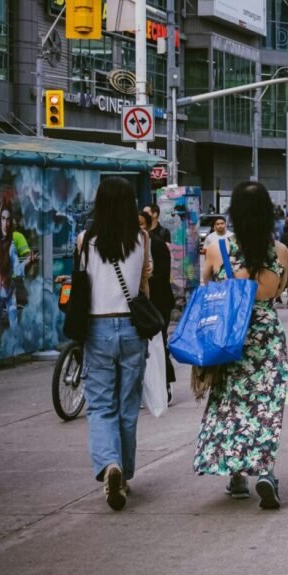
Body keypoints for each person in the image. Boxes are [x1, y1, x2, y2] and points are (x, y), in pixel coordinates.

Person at [193, 181, 288, 509]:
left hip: (228, 334)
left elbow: (205, 285)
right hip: (266, 332)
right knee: (266, 406)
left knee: (229, 403)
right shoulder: (279, 251)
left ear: (233, 213)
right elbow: (279, 291)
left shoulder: (217, 248)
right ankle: (265, 470)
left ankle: (236, 476)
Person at [79, 177, 152, 511]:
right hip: (131, 326)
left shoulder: (85, 240)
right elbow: (144, 283)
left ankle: (111, 464)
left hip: (96, 325)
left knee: (100, 404)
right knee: (127, 404)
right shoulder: (142, 238)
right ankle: (123, 475)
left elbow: (83, 285)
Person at [0, 178, 34, 358]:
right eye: (3, 219)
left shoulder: (12, 243)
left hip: (9, 288)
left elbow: (17, 269)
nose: (5, 222)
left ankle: (16, 351)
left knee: (13, 323)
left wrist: (28, 262)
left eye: (8, 219)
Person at [140, 211, 176, 400]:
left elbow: (162, 275)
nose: (138, 230)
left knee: (159, 344)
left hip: (159, 303)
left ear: (149, 225)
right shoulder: (130, 246)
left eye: (141, 225)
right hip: (139, 305)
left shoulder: (158, 245)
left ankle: (165, 384)